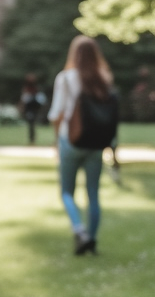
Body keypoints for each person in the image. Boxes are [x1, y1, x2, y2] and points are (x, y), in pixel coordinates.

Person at [48, 36, 115, 255]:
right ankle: (92, 239)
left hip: (72, 141)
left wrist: (56, 140)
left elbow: (56, 114)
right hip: (96, 143)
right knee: (93, 194)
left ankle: (79, 230)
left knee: (67, 191)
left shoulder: (66, 78)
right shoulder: (103, 78)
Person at [19, 73, 46, 146]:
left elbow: (41, 99)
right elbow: (23, 100)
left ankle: (32, 138)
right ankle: (31, 138)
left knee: (32, 124)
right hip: (29, 109)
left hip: (34, 109)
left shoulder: (36, 89)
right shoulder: (26, 89)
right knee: (31, 124)